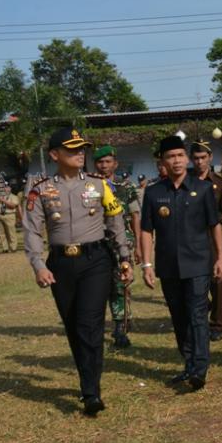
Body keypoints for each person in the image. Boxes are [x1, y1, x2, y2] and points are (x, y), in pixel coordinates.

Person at [22, 128, 132, 415]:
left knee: (89, 323)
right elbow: (32, 231)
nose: (80, 153)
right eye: (72, 149)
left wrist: (124, 258)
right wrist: (38, 265)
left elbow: (116, 221)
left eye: (82, 148)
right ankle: (88, 380)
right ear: (54, 155)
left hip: (96, 260)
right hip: (60, 264)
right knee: (73, 325)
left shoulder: (99, 185)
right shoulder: (40, 190)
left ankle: (91, 391)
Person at [140, 136, 222, 391]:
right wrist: (146, 265)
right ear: (162, 161)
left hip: (198, 263)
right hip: (168, 266)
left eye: (180, 155)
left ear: (186, 158)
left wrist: (220, 258)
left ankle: (199, 368)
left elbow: (214, 225)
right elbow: (146, 230)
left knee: (197, 314)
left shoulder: (203, 189)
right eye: (171, 156)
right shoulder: (154, 192)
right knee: (179, 316)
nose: (176, 161)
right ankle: (188, 363)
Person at [94, 145, 143, 349]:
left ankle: (121, 326)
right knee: (98, 286)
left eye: (108, 162)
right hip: (95, 242)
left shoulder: (126, 187)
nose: (104, 165)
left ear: (115, 164)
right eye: (100, 162)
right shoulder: (89, 186)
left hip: (122, 242)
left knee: (121, 284)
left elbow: (135, 216)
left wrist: (139, 245)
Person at [190, 141, 222, 342]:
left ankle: (217, 324)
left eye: (203, 157)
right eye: (196, 158)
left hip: (213, 235)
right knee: (193, 280)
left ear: (210, 158)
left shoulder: (219, 182)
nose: (199, 162)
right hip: (191, 237)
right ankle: (201, 312)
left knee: (218, 281)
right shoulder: (186, 181)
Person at [0, 185, 20, 253]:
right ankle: (5, 248)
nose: (5, 189)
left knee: (11, 232)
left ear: (10, 188)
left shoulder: (14, 197)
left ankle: (13, 247)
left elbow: (13, 206)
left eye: (7, 187)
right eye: (4, 187)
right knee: (1, 233)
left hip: (9, 215)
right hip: (0, 215)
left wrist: (4, 200)